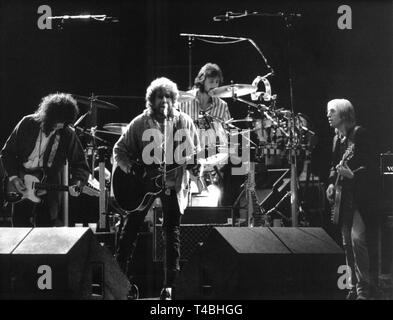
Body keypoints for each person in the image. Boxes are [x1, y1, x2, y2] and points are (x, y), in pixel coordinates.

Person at [113, 77, 201, 300]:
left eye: (168, 96)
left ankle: (170, 287)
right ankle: (118, 281)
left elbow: (195, 154)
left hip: (173, 183)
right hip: (142, 187)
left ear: (174, 100)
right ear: (151, 100)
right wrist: (132, 169)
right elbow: (119, 150)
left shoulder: (185, 122)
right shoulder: (140, 123)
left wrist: (196, 166)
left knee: (172, 232)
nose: (164, 100)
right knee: (130, 229)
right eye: (159, 96)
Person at [0, 93, 90, 227]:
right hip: (21, 185)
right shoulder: (27, 123)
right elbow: (7, 152)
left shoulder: (67, 134)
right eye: (57, 121)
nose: (60, 125)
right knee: (19, 228)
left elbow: (80, 164)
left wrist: (77, 183)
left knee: (46, 231)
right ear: (47, 116)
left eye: (64, 122)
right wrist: (13, 177)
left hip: (48, 190)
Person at [326, 98, 379, 300]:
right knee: (347, 242)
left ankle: (364, 289)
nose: (328, 115)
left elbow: (372, 166)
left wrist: (353, 175)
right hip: (343, 197)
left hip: (360, 197)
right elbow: (333, 166)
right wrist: (331, 183)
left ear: (344, 115)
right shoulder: (336, 139)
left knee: (357, 240)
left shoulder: (360, 135)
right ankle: (352, 287)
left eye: (332, 111)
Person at [178, 63, 232, 204]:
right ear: (202, 80)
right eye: (211, 82)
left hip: (212, 158)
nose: (214, 86)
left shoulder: (222, 106)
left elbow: (226, 136)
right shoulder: (184, 101)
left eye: (217, 82)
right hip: (187, 155)